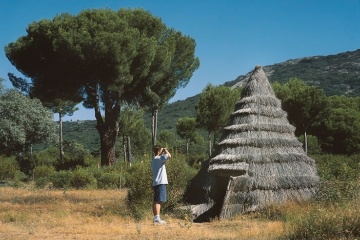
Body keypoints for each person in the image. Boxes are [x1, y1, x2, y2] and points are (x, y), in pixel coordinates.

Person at [151, 145, 171, 224]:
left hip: (156, 182)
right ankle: (157, 219)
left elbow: (166, 159)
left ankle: (156, 218)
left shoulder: (154, 160)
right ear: (159, 151)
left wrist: (161, 151)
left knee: (156, 201)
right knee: (158, 201)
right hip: (160, 182)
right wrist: (165, 150)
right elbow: (169, 156)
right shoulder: (158, 159)